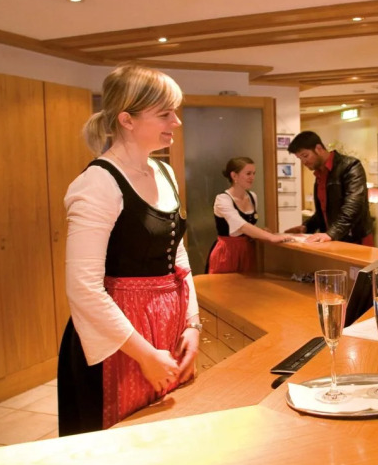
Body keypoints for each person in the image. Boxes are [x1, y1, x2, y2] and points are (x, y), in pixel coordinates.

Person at [58, 64, 201, 436]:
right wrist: (145, 355)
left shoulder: (164, 172)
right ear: (127, 120)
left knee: (167, 435)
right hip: (120, 337)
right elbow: (84, 288)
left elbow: (178, 256)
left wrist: (192, 323)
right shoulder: (97, 183)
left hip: (167, 323)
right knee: (121, 442)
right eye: (165, 113)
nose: (176, 122)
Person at [284, 131, 374, 245]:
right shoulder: (320, 174)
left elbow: (353, 206)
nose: (304, 162)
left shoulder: (350, 166)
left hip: (355, 238)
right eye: (300, 159)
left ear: (318, 148)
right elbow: (323, 212)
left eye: (305, 156)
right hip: (334, 238)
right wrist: (306, 227)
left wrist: (331, 233)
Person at [206, 157, 290, 273]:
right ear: (234, 176)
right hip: (228, 251)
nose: (252, 177)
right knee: (226, 283)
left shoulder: (252, 197)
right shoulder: (223, 199)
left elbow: (249, 227)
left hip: (249, 249)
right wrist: (270, 237)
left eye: (254, 173)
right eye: (248, 173)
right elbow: (241, 225)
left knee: (249, 283)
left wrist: (260, 231)